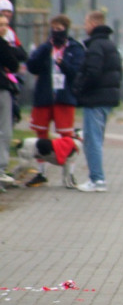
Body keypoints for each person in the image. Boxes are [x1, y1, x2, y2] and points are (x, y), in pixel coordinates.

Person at [25, 14, 85, 187]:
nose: (56, 33)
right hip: (44, 96)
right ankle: (41, 172)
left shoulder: (75, 48)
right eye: (54, 29)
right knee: (40, 134)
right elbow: (31, 66)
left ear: (66, 29)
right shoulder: (45, 47)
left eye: (60, 29)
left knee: (67, 137)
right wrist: (45, 49)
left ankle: (68, 174)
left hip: (64, 97)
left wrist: (64, 64)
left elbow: (77, 73)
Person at [73, 10, 122, 193]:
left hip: (95, 98)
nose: (85, 27)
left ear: (93, 24)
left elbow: (92, 72)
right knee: (96, 139)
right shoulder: (110, 44)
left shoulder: (95, 46)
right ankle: (97, 178)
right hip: (107, 98)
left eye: (86, 23)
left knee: (92, 141)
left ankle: (97, 179)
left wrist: (79, 87)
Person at [0, 16, 22, 185]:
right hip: (2, 89)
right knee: (4, 129)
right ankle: (1, 168)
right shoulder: (3, 44)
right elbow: (14, 65)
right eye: (1, 24)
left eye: (6, 24)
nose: (4, 28)